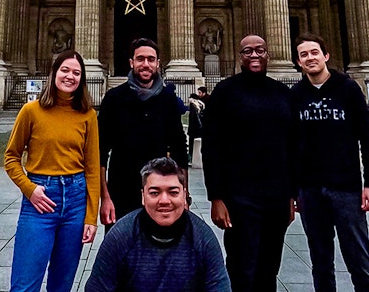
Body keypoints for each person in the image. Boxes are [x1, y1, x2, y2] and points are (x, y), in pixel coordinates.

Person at [202, 34, 297, 292]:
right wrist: (216, 197)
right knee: (241, 265)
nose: (254, 56)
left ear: (268, 54)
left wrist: (291, 195)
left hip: (276, 195)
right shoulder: (224, 92)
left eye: (260, 50)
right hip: (239, 196)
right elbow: (211, 147)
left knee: (270, 265)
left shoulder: (282, 93)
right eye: (247, 51)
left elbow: (291, 146)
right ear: (239, 56)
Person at [4, 50, 100, 292]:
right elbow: (11, 157)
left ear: (82, 79)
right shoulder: (31, 111)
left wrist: (91, 217)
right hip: (40, 199)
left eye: (76, 73)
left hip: (76, 200)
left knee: (62, 285)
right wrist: (29, 189)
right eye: (65, 70)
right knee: (24, 285)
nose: (70, 76)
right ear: (54, 73)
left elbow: (92, 168)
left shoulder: (88, 115)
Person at [291, 33, 369, 292]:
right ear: (298, 62)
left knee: (359, 260)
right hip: (310, 190)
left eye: (314, 52)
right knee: (320, 262)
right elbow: (291, 145)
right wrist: (294, 190)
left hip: (346, 188)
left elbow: (368, 137)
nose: (310, 58)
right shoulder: (296, 94)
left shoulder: (348, 88)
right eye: (304, 54)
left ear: (326, 55)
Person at [85, 157, 231, 292]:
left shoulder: (204, 239)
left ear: (184, 195)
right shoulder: (120, 237)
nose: (164, 200)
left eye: (173, 192)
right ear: (143, 196)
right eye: (155, 193)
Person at [99, 38, 189, 226]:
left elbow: (179, 148)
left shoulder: (168, 100)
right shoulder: (114, 98)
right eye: (140, 59)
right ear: (131, 63)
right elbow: (100, 151)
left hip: (159, 192)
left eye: (151, 59)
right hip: (121, 191)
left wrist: (184, 192)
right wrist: (105, 197)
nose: (146, 64)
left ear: (158, 63)